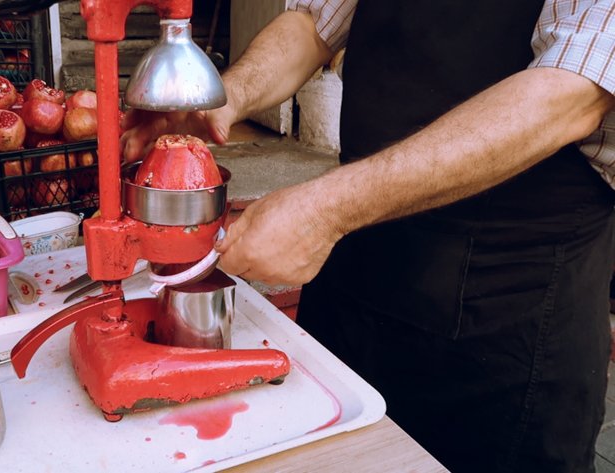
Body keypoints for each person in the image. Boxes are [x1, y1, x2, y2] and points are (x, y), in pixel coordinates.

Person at [122, 1, 615, 471]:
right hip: (354, 284)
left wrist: (326, 209)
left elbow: (571, 94)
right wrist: (222, 97)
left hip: (503, 320)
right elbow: (313, 24)